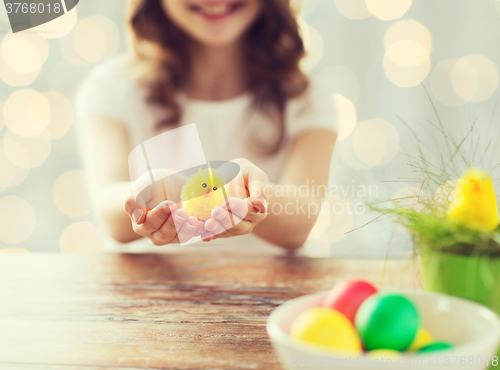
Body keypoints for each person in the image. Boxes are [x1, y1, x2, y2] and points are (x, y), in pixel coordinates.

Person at [76, 0, 338, 253]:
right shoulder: (110, 89)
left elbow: (301, 221)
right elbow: (109, 211)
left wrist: (249, 194)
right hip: (146, 288)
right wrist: (148, 194)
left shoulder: (307, 97)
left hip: (268, 291)